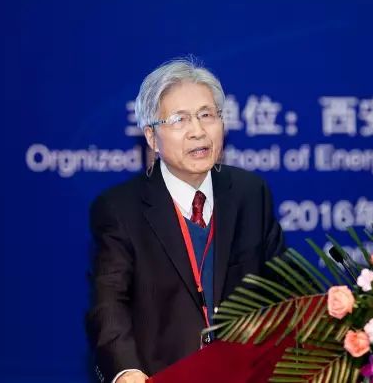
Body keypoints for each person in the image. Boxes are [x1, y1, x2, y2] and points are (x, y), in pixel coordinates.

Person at [86, 58, 285, 383]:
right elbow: (109, 304)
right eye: (180, 119)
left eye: (207, 115)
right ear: (152, 137)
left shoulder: (251, 194)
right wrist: (124, 370)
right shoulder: (120, 209)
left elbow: (285, 289)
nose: (198, 131)